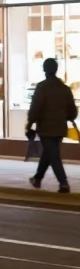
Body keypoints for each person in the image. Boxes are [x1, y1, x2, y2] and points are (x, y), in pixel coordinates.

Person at [27, 57, 78, 193]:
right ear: (56, 70)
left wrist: (29, 124)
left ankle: (63, 183)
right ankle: (37, 178)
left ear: (44, 70)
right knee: (50, 153)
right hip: (60, 128)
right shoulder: (65, 89)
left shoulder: (41, 87)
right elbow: (73, 112)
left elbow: (35, 109)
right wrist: (65, 117)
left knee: (53, 155)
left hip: (45, 128)